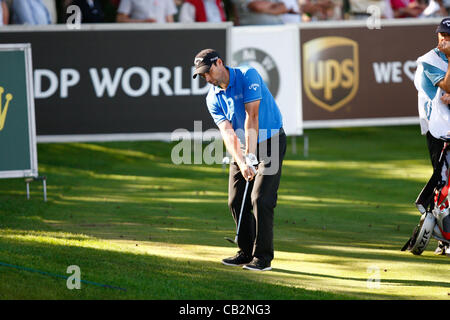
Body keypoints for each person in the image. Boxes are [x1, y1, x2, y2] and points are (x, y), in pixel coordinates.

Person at [192, 48, 286, 271]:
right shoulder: (212, 97)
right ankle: (245, 252)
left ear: (219, 63)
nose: (207, 78)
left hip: (270, 139)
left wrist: (251, 157)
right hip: (242, 145)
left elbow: (251, 116)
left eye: (208, 72)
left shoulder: (247, 75)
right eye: (202, 75)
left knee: (261, 199)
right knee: (235, 200)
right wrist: (243, 161)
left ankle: (263, 258)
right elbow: (227, 132)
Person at [414, 17, 450, 255]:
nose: (444, 38)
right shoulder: (428, 60)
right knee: (442, 184)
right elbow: (447, 88)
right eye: (442, 34)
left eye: (449, 35)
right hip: (440, 132)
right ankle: (443, 239)